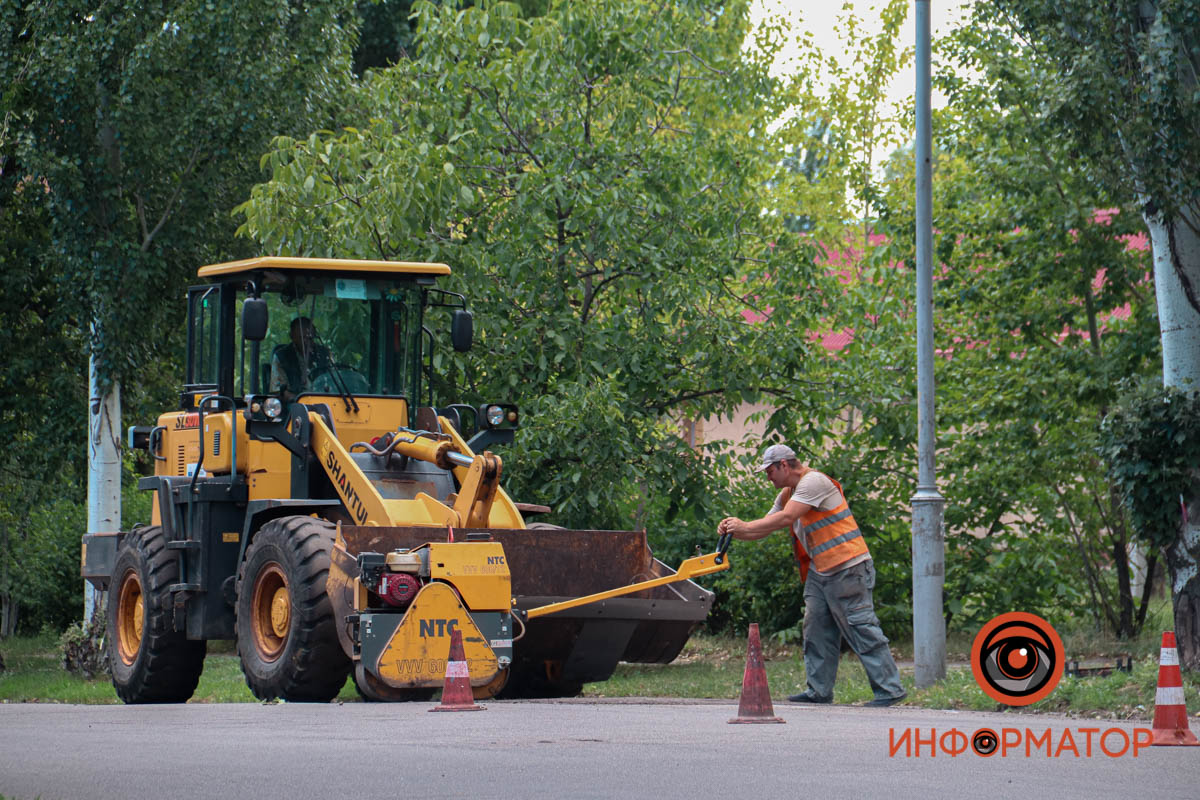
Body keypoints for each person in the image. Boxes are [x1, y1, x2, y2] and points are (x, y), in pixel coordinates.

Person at [717, 443, 907, 707]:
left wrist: (745, 525)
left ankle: (890, 690)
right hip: (821, 571)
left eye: (769, 471)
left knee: (861, 627)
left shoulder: (813, 482)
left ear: (784, 465)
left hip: (848, 567)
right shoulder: (788, 494)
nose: (767, 476)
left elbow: (786, 519)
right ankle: (818, 691)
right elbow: (765, 526)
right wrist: (734, 530)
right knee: (816, 629)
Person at [269, 317, 331, 400]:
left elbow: (333, 382)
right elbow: (278, 390)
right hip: (294, 405)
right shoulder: (281, 356)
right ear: (292, 337)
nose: (306, 341)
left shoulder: (324, 354)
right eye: (302, 337)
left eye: (310, 338)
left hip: (325, 401)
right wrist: (299, 400)